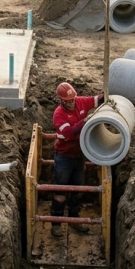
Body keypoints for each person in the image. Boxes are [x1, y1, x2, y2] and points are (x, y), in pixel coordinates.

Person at [51, 81, 104, 237]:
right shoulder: (58, 114)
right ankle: (56, 223)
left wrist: (108, 94)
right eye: (67, 101)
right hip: (64, 158)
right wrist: (85, 121)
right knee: (60, 190)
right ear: (61, 100)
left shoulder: (80, 102)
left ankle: (74, 220)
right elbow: (68, 133)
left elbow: (95, 100)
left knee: (77, 189)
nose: (71, 102)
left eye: (72, 99)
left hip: (79, 156)